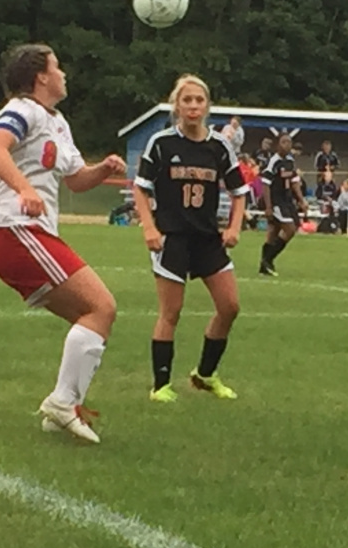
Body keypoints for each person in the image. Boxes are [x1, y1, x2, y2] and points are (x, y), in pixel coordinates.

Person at [0, 43, 126, 444]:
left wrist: (103, 169)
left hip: (27, 236)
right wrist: (24, 189)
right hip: (17, 231)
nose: (64, 73)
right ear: (40, 76)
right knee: (101, 306)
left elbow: (77, 179)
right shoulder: (23, 109)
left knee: (96, 314)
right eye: (57, 67)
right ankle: (63, 404)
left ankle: (61, 408)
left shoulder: (58, 122)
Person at [133, 74, 249, 404]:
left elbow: (239, 192)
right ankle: (161, 386)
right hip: (172, 238)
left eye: (199, 100)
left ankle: (205, 374)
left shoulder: (219, 146)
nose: (194, 106)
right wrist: (149, 227)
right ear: (177, 106)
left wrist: (234, 227)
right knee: (171, 312)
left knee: (229, 306)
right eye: (187, 100)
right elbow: (140, 188)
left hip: (207, 238)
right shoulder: (162, 143)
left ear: (207, 105)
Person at [259, 133, 307, 276]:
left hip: (287, 200)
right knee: (289, 229)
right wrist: (268, 206)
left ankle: (264, 267)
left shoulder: (290, 162)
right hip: (276, 201)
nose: (287, 145)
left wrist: (301, 200)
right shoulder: (273, 162)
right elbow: (266, 185)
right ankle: (267, 260)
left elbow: (294, 182)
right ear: (277, 145)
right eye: (284, 142)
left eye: (289, 142)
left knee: (274, 232)